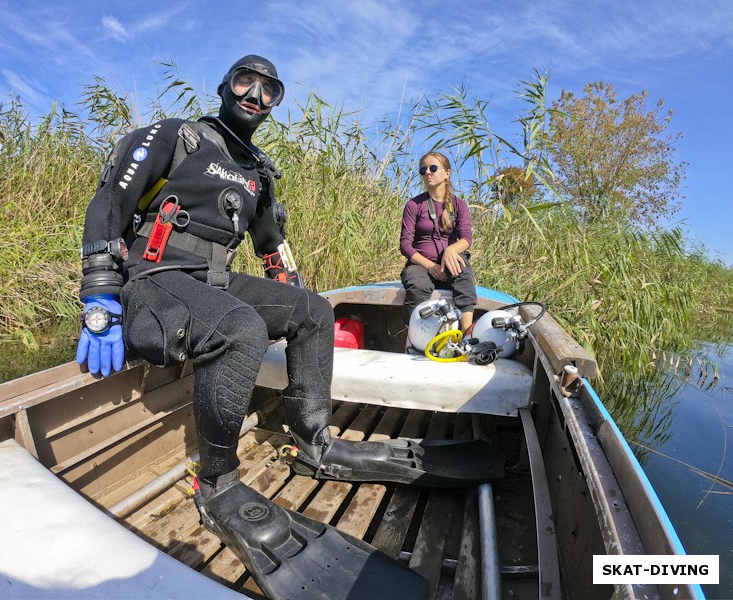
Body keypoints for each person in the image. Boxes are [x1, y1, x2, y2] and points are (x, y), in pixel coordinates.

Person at [75, 56, 497, 600]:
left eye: (269, 89)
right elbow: (109, 201)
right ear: (224, 86)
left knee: (315, 312)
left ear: (276, 101)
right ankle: (219, 481)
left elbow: (272, 247)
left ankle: (314, 440)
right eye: (245, 82)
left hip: (215, 281)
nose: (255, 94)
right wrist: (100, 298)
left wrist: (296, 291)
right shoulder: (176, 136)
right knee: (242, 330)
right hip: (151, 276)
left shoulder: (258, 174)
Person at [400, 151, 477, 334]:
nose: (428, 172)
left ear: (447, 173)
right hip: (421, 263)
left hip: (449, 260)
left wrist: (451, 250)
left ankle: (467, 334)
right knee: (417, 286)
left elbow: (466, 238)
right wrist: (430, 267)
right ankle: (417, 335)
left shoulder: (459, 205)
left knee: (463, 273)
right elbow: (405, 245)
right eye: (423, 170)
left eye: (433, 168)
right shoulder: (414, 205)